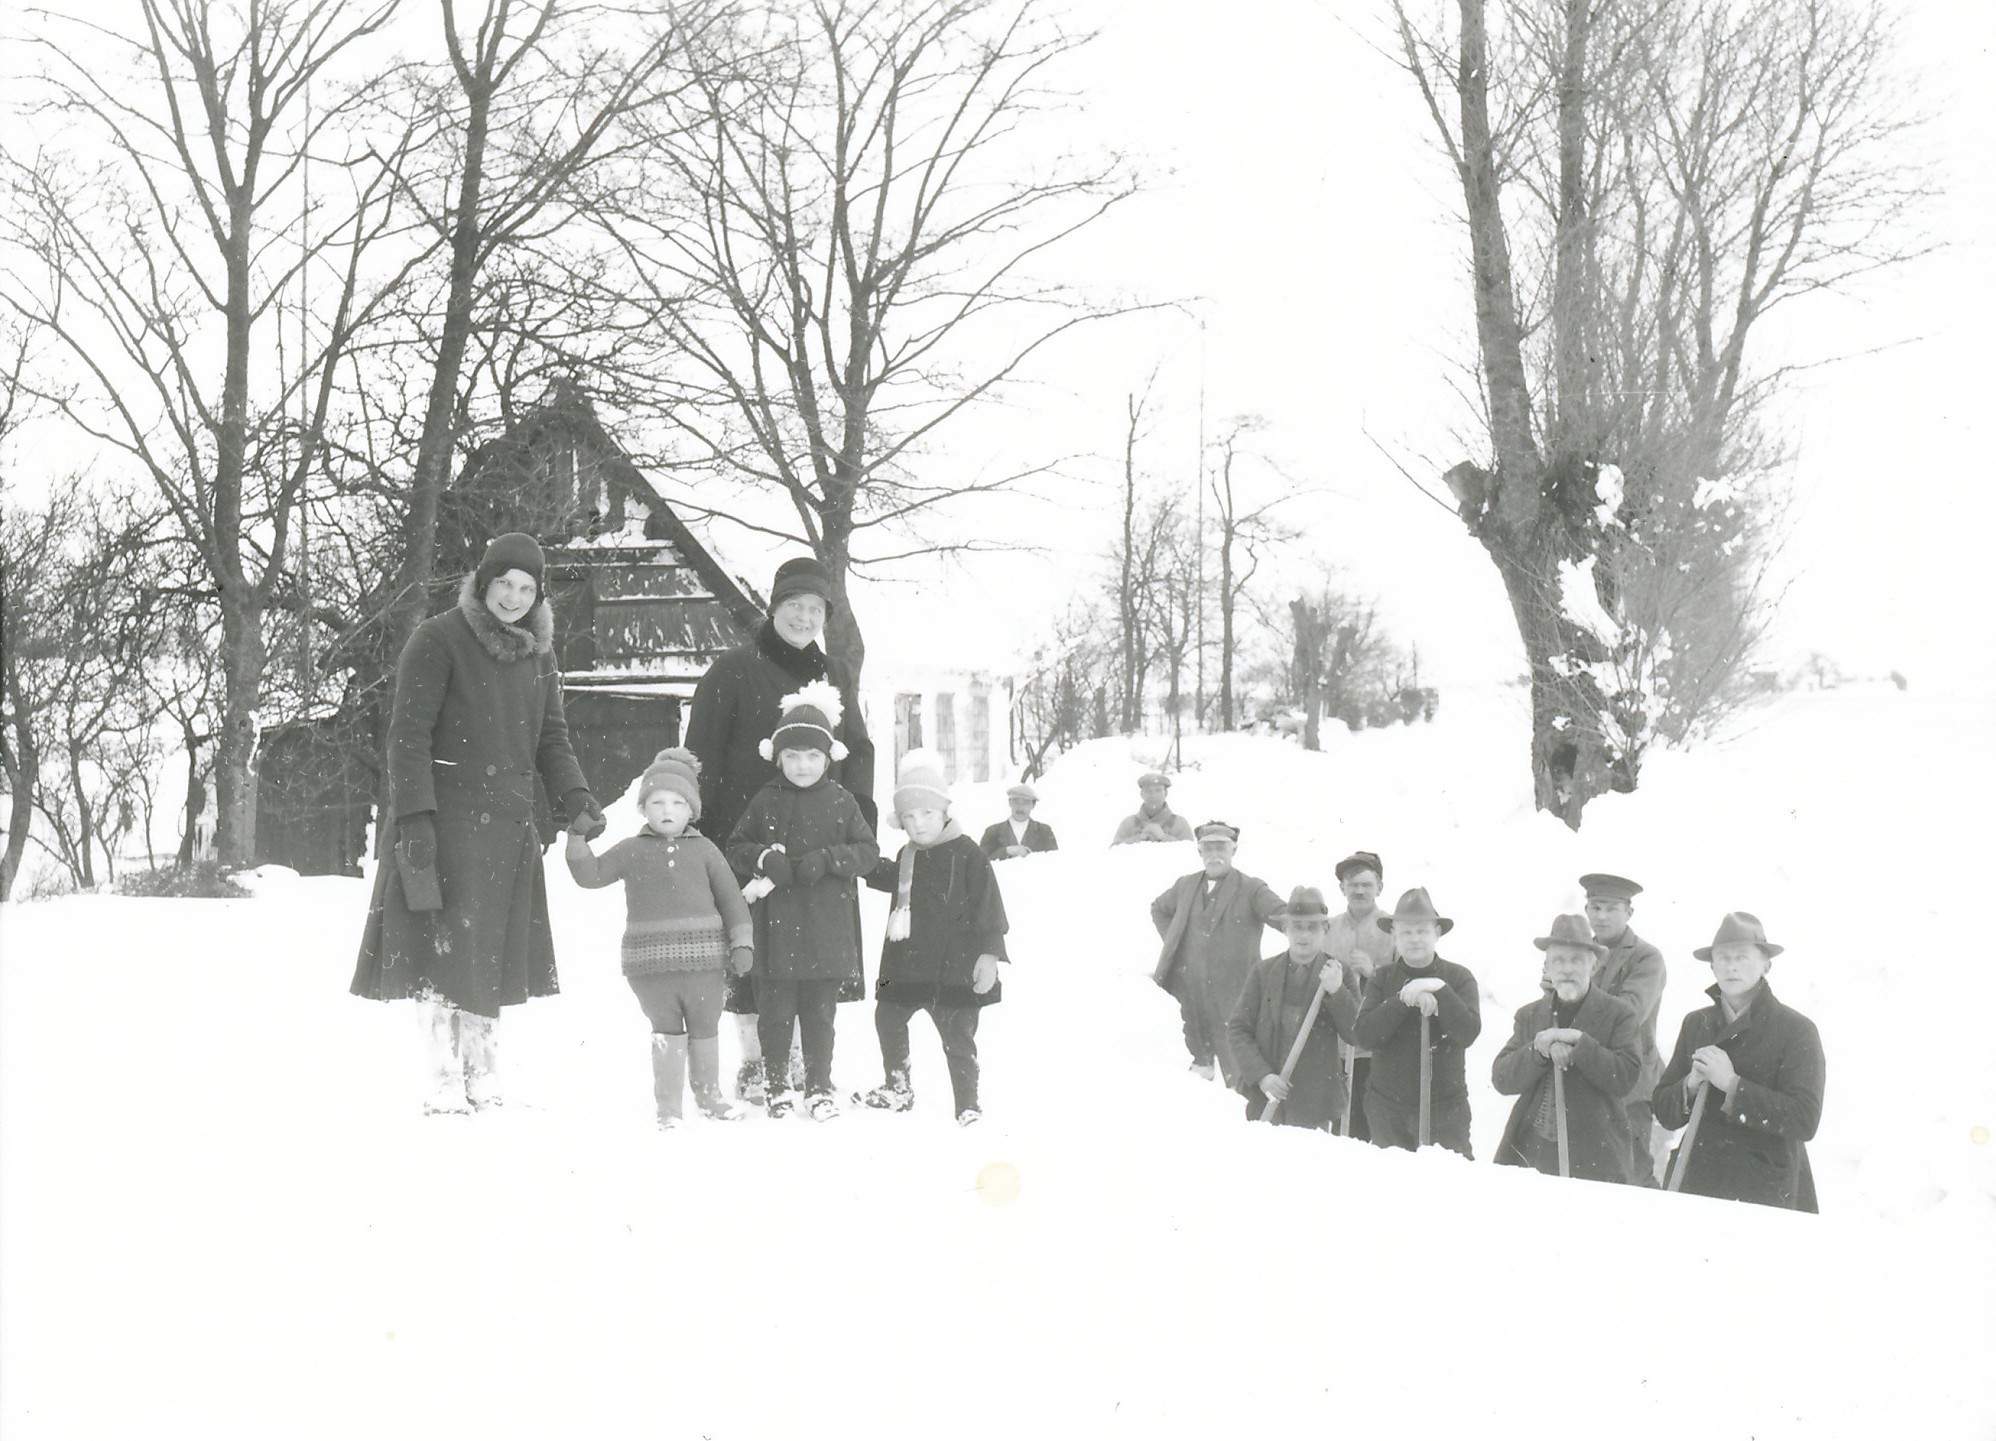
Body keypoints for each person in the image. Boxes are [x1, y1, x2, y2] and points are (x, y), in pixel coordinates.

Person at [352, 532, 605, 1115]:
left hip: (508, 827)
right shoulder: (439, 638)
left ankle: (482, 1069)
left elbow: (551, 736)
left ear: (539, 595)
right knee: (441, 955)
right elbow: (408, 736)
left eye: (526, 589)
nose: (513, 598)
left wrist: (576, 795)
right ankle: (444, 1076)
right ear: (483, 583)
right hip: (445, 823)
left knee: (487, 952)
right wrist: (415, 818)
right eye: (504, 584)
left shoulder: (540, 655)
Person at [685, 555, 877, 1103]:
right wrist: (700, 830)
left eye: (815, 608)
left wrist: (859, 826)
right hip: (748, 842)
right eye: (794, 605)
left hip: (820, 849)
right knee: (754, 951)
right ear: (773, 608)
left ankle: (802, 1062)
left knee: (812, 952)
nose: (804, 617)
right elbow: (702, 751)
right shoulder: (733, 669)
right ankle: (756, 1061)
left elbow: (857, 750)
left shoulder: (834, 674)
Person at [564, 748, 753, 1129]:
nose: (667, 810)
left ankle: (709, 1096)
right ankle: (668, 1108)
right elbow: (591, 875)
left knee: (705, 1027)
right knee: (665, 1031)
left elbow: (732, 900)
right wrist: (577, 837)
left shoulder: (706, 851)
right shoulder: (632, 850)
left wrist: (742, 942)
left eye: (678, 803)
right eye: (657, 802)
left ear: (692, 810)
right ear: (643, 809)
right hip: (650, 967)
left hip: (705, 965)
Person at [726, 683, 879, 1121]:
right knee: (773, 1015)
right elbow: (735, 845)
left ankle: (818, 1088)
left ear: (829, 758)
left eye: (813, 755)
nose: (802, 765)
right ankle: (777, 1086)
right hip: (775, 932)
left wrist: (829, 860)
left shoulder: (843, 802)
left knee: (819, 1018)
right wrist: (763, 858)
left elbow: (868, 852)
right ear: (777, 758)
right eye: (792, 756)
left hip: (825, 930)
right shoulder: (765, 800)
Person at [861, 750, 1009, 1125]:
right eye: (909, 817)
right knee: (887, 1019)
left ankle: (968, 1104)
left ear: (945, 811)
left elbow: (989, 908)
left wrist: (989, 955)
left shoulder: (969, 854)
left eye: (927, 813)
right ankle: (898, 1087)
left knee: (958, 1038)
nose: (918, 824)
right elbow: (893, 879)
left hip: (954, 967)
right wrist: (861, 860)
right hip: (906, 964)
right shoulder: (907, 855)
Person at [1654, 912, 1824, 1211]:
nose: (1731, 966)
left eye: (1742, 957)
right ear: (1712, 965)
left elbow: (1804, 1119)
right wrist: (1690, 1085)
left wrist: (1732, 1086)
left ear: (1766, 964)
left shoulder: (1796, 1029)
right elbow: (1665, 1112)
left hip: (1764, 1193)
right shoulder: (1697, 1023)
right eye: (1722, 957)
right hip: (1697, 1184)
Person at [1491, 914, 1643, 1183]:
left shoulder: (1619, 1014)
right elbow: (1502, 1079)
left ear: (1593, 966)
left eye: (1577, 960)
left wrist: (1580, 1043)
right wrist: (1538, 1051)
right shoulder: (1530, 1015)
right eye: (1558, 960)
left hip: (1596, 1157)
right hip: (1533, 1152)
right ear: (1547, 968)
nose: (1567, 969)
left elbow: (1626, 1078)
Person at [1149, 822, 1288, 1084]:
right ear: (1199, 851)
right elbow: (1158, 908)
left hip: (1234, 1001)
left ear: (1234, 850)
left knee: (1240, 1078)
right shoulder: (1185, 886)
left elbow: (1283, 916)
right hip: (1189, 999)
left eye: (1221, 847)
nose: (1214, 854)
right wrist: (1175, 943)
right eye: (1208, 848)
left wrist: (1308, 925)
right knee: (1193, 1077)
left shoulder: (1252, 888)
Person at [1352, 887, 1482, 1157]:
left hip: (1445, 1111)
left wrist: (1439, 989)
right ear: (1394, 935)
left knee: (1449, 1179)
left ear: (1437, 932)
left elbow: (1467, 1033)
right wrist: (1403, 998)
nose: (1414, 939)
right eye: (1406, 932)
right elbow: (1364, 1035)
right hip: (1388, 1110)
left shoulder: (1459, 978)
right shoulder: (1382, 978)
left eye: (1422, 931)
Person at [1225, 886, 1361, 1131]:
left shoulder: (1340, 973)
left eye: (1312, 927)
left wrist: (1337, 991)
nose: (1304, 935)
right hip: (1266, 1100)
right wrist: (1263, 1076)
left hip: (1315, 1105)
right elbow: (1238, 1029)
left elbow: (1355, 1033)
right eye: (1297, 927)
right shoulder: (1263, 972)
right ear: (1285, 928)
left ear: (1325, 929)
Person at [1579, 872, 1669, 1183]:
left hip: (1629, 1085)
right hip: (1584, 1079)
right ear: (1586, 910)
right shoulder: (1576, 954)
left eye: (1612, 908)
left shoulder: (1646, 958)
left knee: (1633, 1174)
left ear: (1629, 912)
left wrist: (1574, 994)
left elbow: (1628, 1015)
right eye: (1595, 907)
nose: (1602, 916)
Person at [1326, 850, 1395, 1140]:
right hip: (1335, 1047)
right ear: (1342, 888)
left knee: (1374, 1129)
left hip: (1378, 1050)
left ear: (1380, 887)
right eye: (1352, 884)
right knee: (1339, 1126)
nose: (1359, 890)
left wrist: (1373, 971)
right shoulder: (1327, 928)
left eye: (1366, 884)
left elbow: (1407, 984)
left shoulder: (1394, 928)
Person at [980, 782, 1058, 861]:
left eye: (1026, 802)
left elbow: (1054, 861)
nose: (1020, 807)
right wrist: (1007, 851)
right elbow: (981, 862)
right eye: (1016, 801)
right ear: (1010, 803)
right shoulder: (992, 832)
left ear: (1033, 805)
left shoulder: (1044, 831)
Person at [1111, 772, 1194, 845]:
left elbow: (1189, 853)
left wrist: (1163, 837)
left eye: (1158, 790)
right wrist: (1139, 838)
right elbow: (1114, 852)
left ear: (1166, 793)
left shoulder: (1179, 824)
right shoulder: (1129, 824)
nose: (1153, 795)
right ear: (1141, 794)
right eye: (1148, 791)